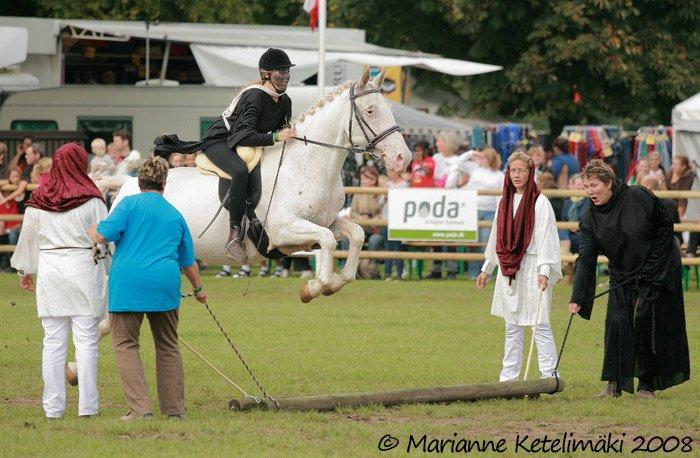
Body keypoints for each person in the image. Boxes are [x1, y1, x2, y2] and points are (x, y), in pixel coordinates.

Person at [88, 157, 206, 420]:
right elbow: (188, 261)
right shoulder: (175, 214)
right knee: (168, 346)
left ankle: (140, 409)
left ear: (139, 180)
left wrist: (92, 228)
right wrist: (199, 289)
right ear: (165, 183)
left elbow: (102, 235)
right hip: (164, 285)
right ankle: (174, 410)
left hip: (128, 283)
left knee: (126, 345)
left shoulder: (128, 205)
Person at [153, 48, 296, 257]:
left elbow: (282, 130)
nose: (285, 76)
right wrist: (274, 138)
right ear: (266, 74)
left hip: (245, 143)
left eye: (287, 71)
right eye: (280, 71)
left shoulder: (285, 101)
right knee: (239, 171)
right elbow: (243, 135)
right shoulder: (254, 96)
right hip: (220, 142)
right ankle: (234, 235)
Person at [568, 160, 689, 398]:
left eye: (594, 185)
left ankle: (647, 383)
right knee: (616, 321)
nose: (590, 191)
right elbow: (586, 257)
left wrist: (651, 267)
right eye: (586, 187)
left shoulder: (638, 196)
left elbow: (666, 227)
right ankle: (614, 382)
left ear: (609, 183)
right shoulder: (590, 216)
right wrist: (578, 296)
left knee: (645, 319)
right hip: (622, 272)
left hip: (657, 267)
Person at [10, 143, 109, 419]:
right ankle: (88, 406)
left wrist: (24, 270)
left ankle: (53, 408)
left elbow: (28, 236)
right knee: (86, 342)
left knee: (52, 341)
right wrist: (111, 270)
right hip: (83, 270)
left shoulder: (40, 199)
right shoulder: (93, 200)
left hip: (51, 271)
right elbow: (104, 241)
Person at [476, 151, 562, 382]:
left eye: (521, 170)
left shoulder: (540, 202)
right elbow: (497, 237)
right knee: (512, 325)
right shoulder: (504, 202)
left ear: (529, 172)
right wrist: (487, 268)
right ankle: (509, 377)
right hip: (508, 267)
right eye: (513, 170)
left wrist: (544, 271)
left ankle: (549, 375)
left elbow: (546, 237)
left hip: (533, 265)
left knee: (539, 323)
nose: (517, 175)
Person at [465, 147, 504, 280]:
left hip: (490, 211)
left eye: (485, 157)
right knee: (473, 243)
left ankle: (486, 272)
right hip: (474, 209)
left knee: (486, 242)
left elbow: (500, 195)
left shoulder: (499, 175)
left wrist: (500, 213)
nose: (482, 160)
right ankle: (472, 273)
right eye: (481, 157)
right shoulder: (475, 171)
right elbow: (469, 187)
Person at [379, 169, 408, 280]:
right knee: (388, 247)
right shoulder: (388, 184)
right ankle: (388, 274)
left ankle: (400, 274)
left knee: (398, 247)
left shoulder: (405, 185)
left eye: (391, 172)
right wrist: (384, 197)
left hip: (398, 220)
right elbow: (380, 204)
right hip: (386, 218)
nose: (389, 174)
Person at [0, 143, 44, 208]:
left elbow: (20, 189)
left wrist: (4, 200)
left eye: (28, 154)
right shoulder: (29, 169)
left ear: (37, 155)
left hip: (37, 206)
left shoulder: (47, 166)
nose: (25, 156)